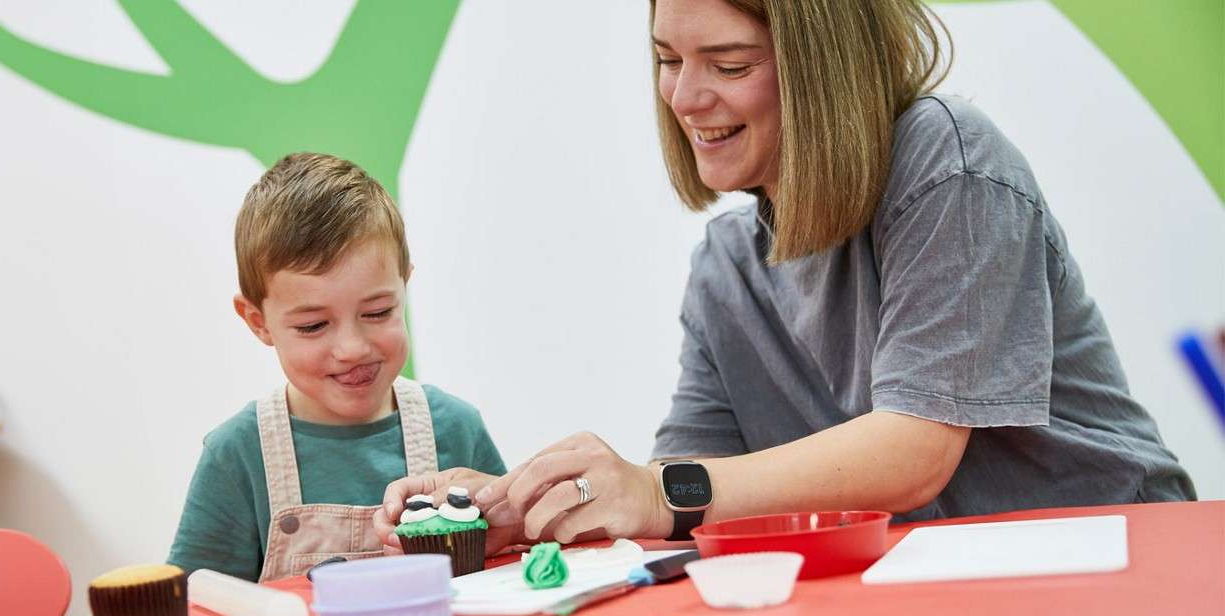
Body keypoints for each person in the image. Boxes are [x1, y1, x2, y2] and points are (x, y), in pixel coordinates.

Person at [374, 0, 1193, 553]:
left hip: (1114, 560)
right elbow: (689, 493)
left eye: (728, 64)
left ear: (820, 66)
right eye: (667, 59)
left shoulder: (949, 161)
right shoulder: (727, 265)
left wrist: (660, 491)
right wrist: (532, 507)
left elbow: (915, 450)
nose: (685, 97)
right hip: (932, 598)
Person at [168, 153, 506, 581]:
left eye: (379, 312)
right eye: (313, 325)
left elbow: (511, 570)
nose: (351, 349)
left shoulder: (457, 429)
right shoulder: (237, 455)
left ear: (405, 287)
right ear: (259, 321)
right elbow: (202, 608)